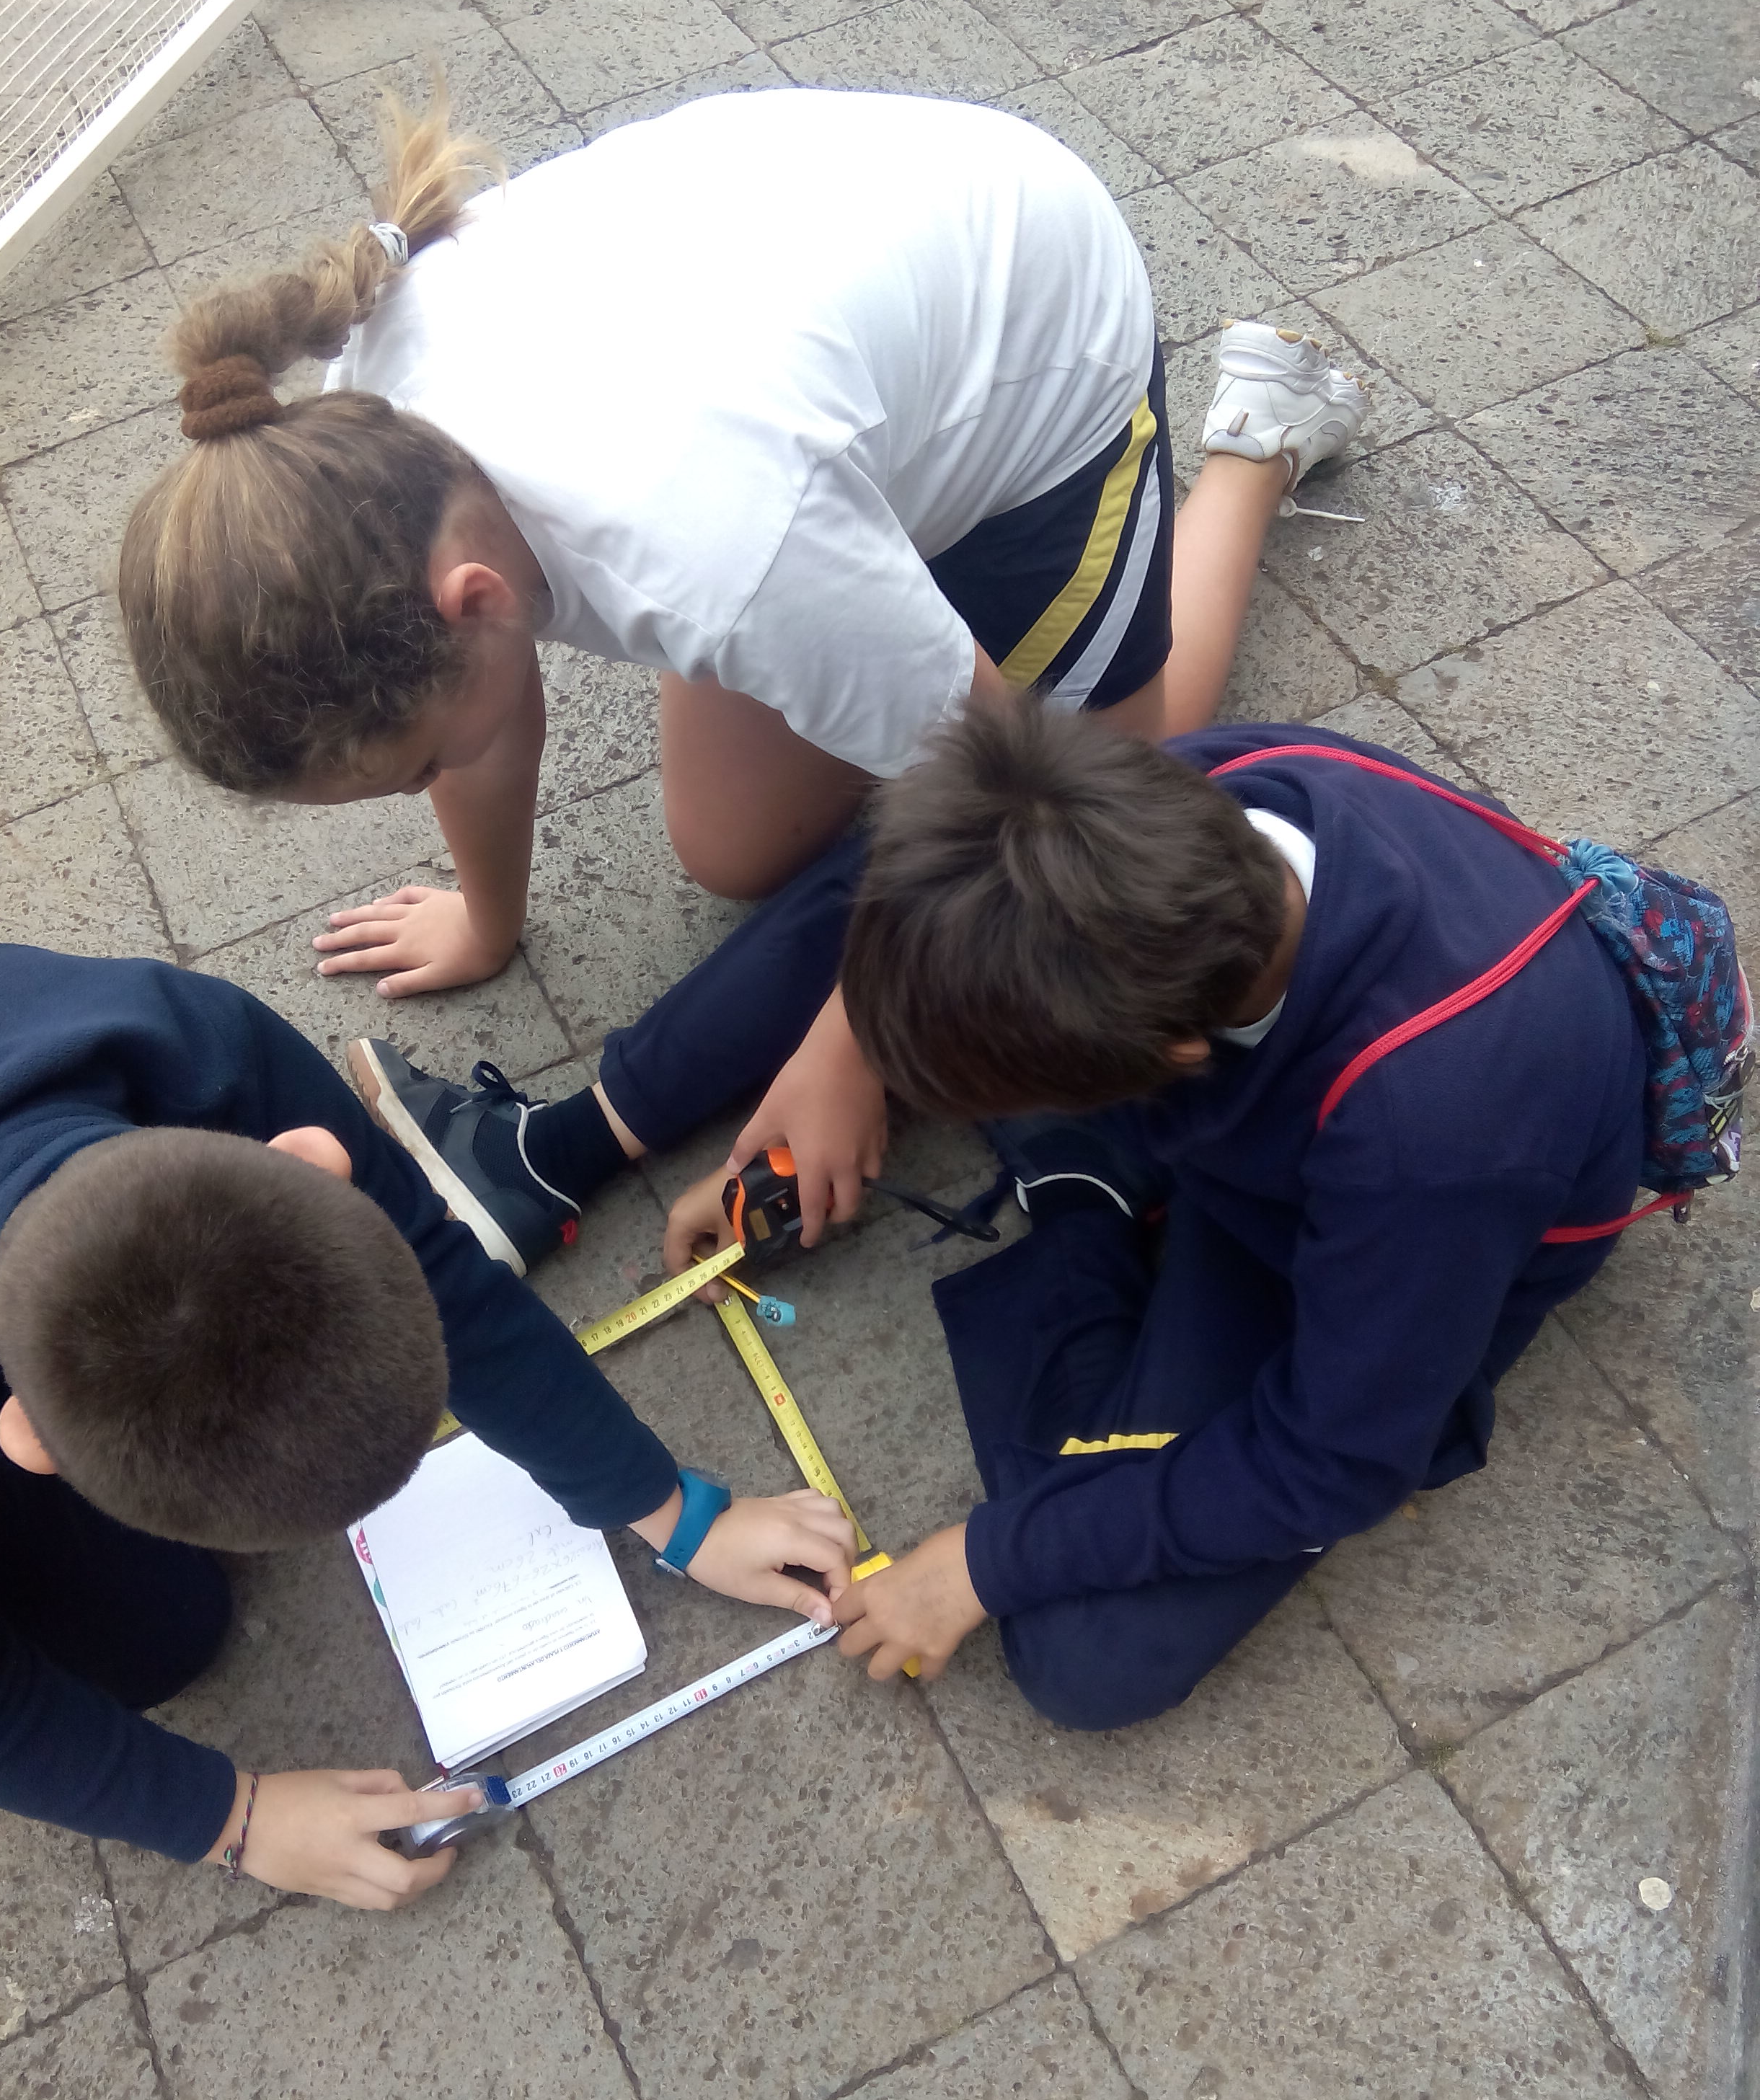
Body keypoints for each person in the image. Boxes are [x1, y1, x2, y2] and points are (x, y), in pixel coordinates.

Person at [116, 81, 1365, 1237]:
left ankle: (1259, 439)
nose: (428, 781)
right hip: (796, 373)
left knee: (1121, 796)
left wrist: (849, 1052)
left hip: (1032, 356)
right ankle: (890, 607)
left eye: (419, 764)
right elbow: (481, 715)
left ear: (476, 600)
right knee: (736, 852)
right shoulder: (352, 469)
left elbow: (1012, 798)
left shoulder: (726, 557)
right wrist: (487, 921)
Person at [366, 706, 1648, 1731]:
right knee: (895, 923)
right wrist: (836, 1069)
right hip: (1255, 1141)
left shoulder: (1432, 1142)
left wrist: (983, 1560)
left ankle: (1084, 1205)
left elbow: (1335, 1462)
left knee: (1089, 1662)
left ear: (1175, 1060)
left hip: (1353, 1242)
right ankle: (1078, 1175)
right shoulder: (1197, 800)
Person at [0, 946, 853, 1910]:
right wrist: (232, 1821)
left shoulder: (213, 1053)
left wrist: (671, 1512)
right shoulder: (245, 1105)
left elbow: (453, 1293)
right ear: (25, 1436)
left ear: (312, 1158)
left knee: (167, 1627)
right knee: (151, 1648)